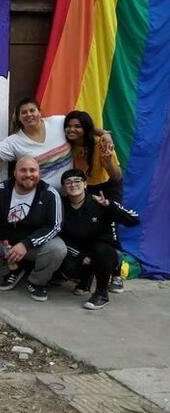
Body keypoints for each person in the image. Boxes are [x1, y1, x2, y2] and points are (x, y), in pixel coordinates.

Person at [0, 156, 67, 302]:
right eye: (23, 170)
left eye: (33, 170)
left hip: (33, 245)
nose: (28, 174)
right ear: (14, 173)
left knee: (58, 249)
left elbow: (55, 226)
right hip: (4, 243)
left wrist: (26, 244)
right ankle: (12, 271)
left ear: (39, 173)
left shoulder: (50, 194)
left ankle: (37, 282)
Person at [0, 99, 115, 190]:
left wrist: (104, 133)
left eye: (32, 110)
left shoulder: (58, 122)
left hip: (73, 193)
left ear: (39, 112)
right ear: (19, 118)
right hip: (45, 198)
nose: (29, 114)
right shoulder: (14, 141)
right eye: (24, 112)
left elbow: (83, 127)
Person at [58, 169, 139, 310]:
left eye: (77, 181)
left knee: (101, 250)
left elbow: (134, 220)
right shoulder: (60, 206)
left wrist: (109, 206)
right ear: (64, 188)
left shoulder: (99, 201)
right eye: (68, 182)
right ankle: (86, 277)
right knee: (68, 267)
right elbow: (59, 235)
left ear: (85, 184)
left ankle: (101, 294)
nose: (73, 185)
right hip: (81, 251)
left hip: (106, 253)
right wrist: (79, 256)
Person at [64, 110, 127, 291]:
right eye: (69, 126)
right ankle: (89, 273)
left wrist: (107, 161)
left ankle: (116, 274)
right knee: (88, 231)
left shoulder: (101, 144)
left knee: (110, 230)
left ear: (85, 128)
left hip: (107, 187)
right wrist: (104, 131)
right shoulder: (69, 145)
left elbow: (116, 176)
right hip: (86, 188)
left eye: (77, 126)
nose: (72, 129)